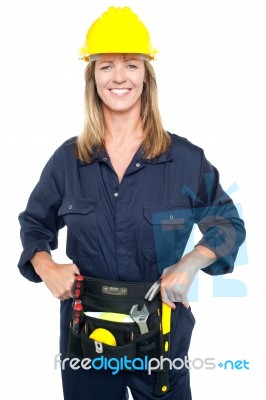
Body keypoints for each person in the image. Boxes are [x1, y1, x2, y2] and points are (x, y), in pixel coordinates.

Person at [18, 6, 246, 400]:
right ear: (92, 77)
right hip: (85, 335)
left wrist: (189, 264)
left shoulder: (186, 160)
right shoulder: (68, 160)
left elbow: (229, 225)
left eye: (131, 65)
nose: (119, 77)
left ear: (147, 74)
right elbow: (35, 223)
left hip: (161, 334)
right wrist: (45, 265)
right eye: (106, 66)